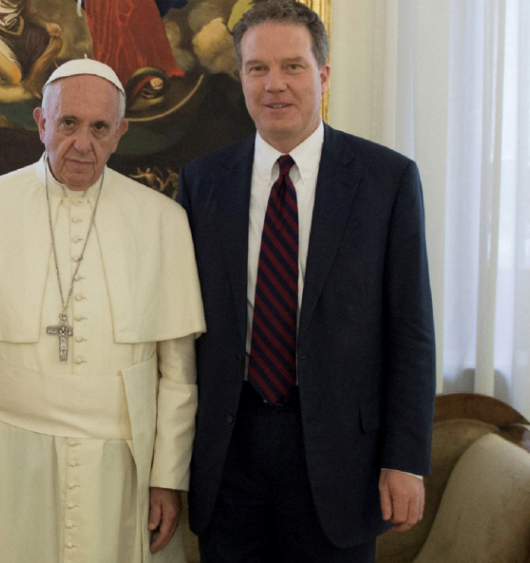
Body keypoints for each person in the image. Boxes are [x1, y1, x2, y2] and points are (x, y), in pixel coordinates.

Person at [177, 2, 436, 562]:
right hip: (228, 451)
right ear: (240, 77)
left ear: (322, 76)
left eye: (292, 66)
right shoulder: (202, 183)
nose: (274, 85)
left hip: (343, 457)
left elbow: (411, 332)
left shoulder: (386, 181)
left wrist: (406, 458)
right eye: (257, 68)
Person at [0, 58, 205, 563]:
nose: (83, 143)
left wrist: (168, 480)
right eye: (68, 123)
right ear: (41, 123)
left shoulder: (163, 220)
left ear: (120, 132)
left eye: (100, 128)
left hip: (123, 463)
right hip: (6, 460)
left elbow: (179, 373)